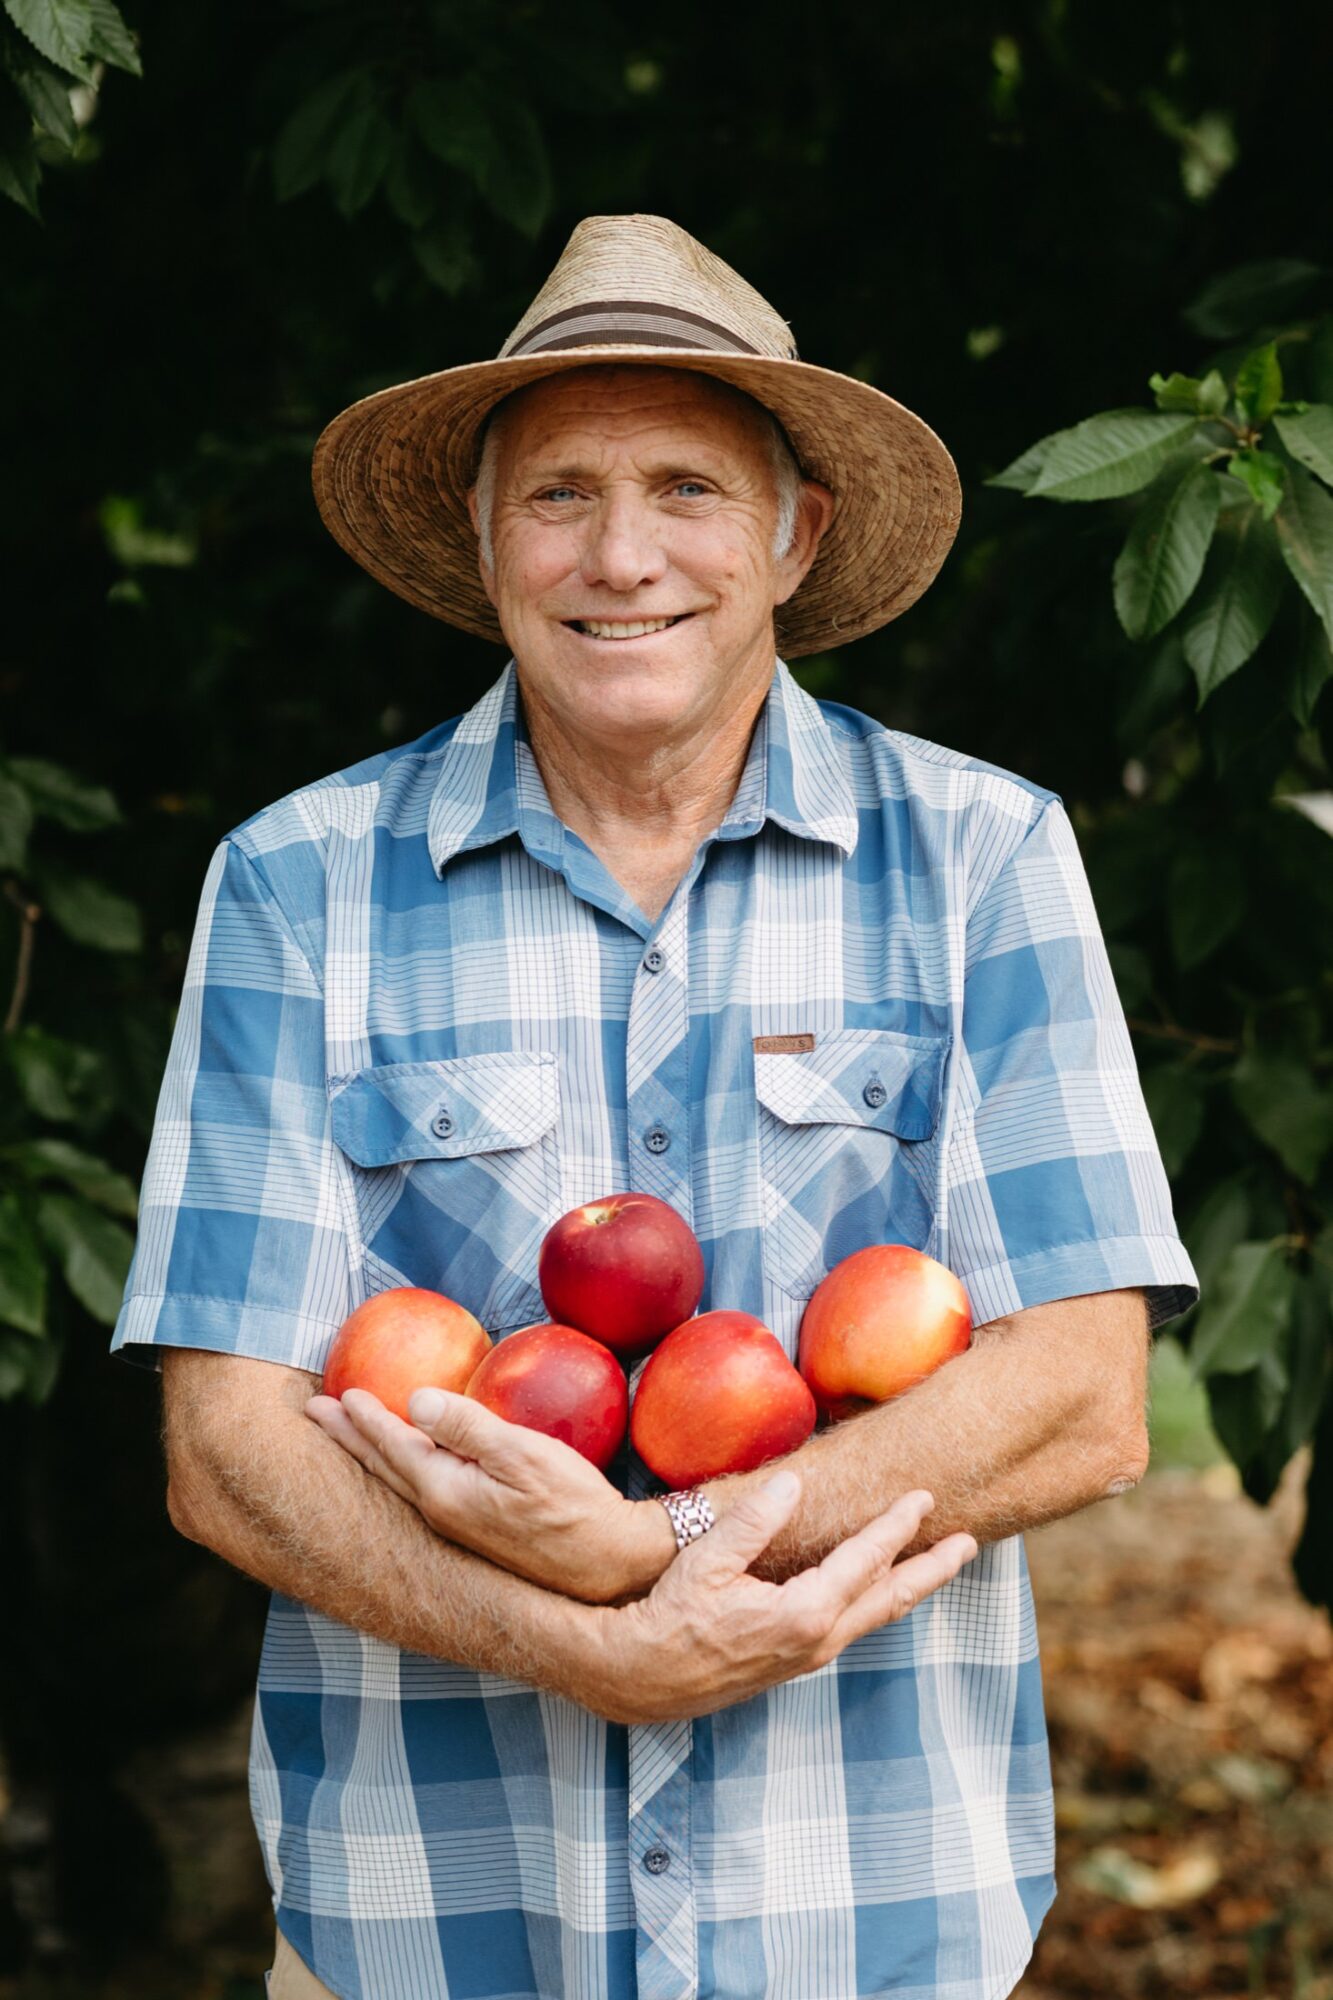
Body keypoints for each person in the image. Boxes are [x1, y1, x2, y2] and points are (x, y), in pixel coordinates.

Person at [112, 214, 1200, 2000]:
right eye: (557, 495)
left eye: (689, 485)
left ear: (794, 534)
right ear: (481, 538)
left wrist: (666, 1543)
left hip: (864, 1921)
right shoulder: (298, 884)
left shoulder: (980, 857)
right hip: (428, 1925)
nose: (622, 556)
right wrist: (577, 1640)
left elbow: (1078, 1400)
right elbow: (228, 1453)